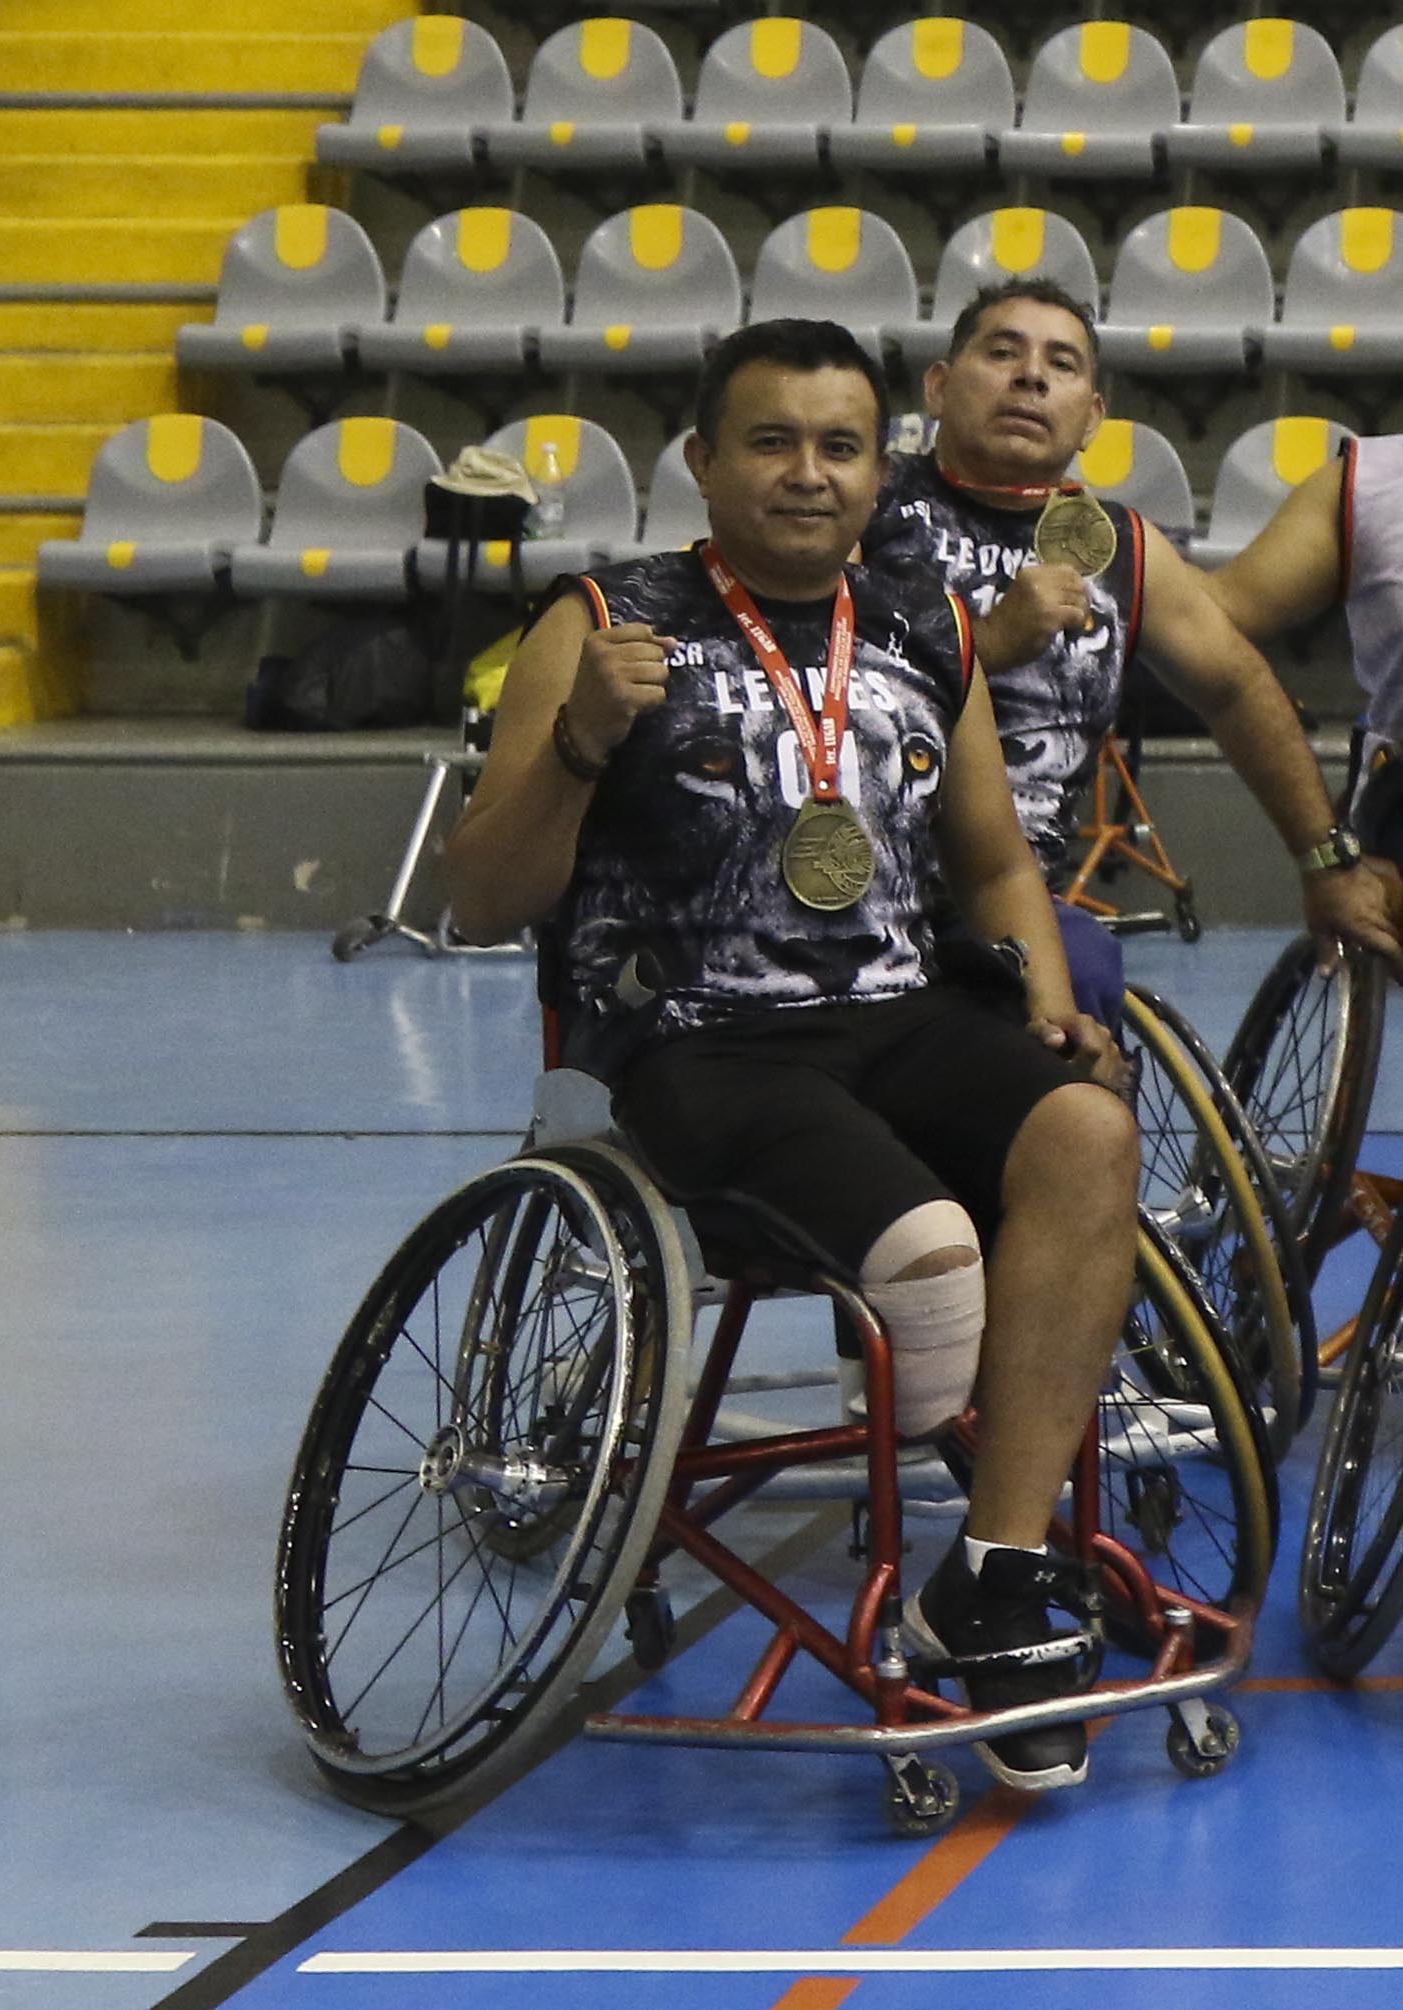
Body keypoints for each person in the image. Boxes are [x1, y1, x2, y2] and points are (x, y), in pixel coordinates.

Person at [441, 320, 1139, 1794]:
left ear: (876, 466)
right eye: (770, 441)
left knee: (1086, 1131)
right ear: (701, 460)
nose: (808, 474)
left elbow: (995, 853)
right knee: (938, 1257)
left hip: (895, 1011)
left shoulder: (917, 625)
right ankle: (980, 1500)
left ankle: (994, 1573)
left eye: (839, 444)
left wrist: (1034, 989)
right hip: (697, 1037)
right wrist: (578, 740)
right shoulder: (598, 618)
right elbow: (482, 894)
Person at [867, 277, 1380, 969]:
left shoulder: (1122, 550)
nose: (1030, 377)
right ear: (938, 386)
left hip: (1002, 917)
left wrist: (1328, 860)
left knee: (1086, 965)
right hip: (847, 888)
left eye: (1062, 364)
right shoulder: (861, 499)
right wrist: (986, 645)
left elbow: (1236, 688)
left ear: (1090, 419)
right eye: (1002, 353)